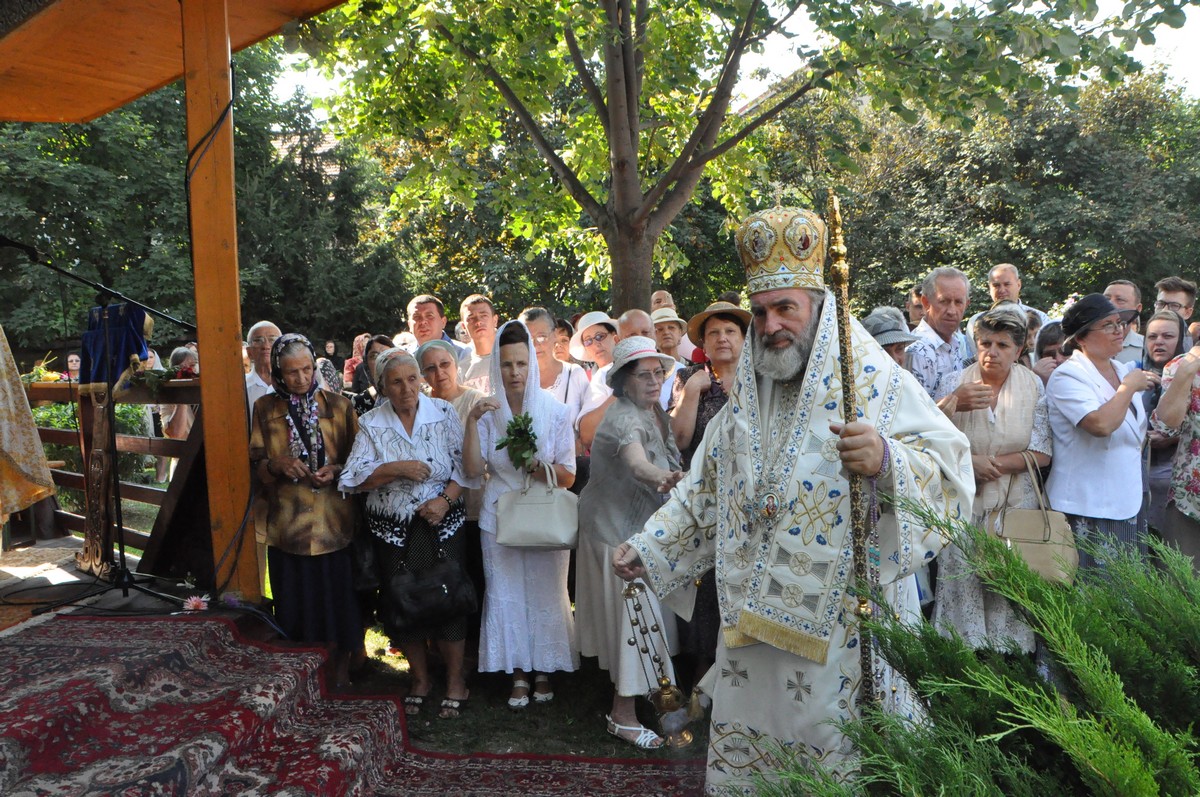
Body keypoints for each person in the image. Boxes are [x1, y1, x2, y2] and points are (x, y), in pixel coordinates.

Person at [613, 206, 972, 793]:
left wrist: (887, 461)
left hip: (845, 624)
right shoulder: (747, 401)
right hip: (752, 626)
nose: (771, 324)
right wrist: (649, 548)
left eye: (786, 308)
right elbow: (704, 488)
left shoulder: (874, 382)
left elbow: (952, 469)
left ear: (819, 310)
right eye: (760, 312)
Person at [339, 348, 471, 719]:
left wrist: (445, 500)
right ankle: (420, 680)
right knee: (404, 601)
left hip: (443, 523)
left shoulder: (443, 413)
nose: (406, 388)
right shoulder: (371, 422)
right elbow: (351, 479)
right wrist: (395, 467)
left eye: (412, 378)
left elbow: (466, 467)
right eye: (396, 381)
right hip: (394, 530)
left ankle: (456, 681)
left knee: (450, 598)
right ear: (382, 385)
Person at [462, 321, 578, 708]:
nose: (515, 373)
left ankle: (545, 667)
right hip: (498, 514)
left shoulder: (556, 411)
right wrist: (472, 422)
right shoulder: (487, 410)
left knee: (546, 591)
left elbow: (569, 474)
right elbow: (474, 470)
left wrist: (536, 467)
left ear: (533, 363)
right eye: (507, 364)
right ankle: (517, 671)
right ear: (496, 364)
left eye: (522, 364)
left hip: (542, 511)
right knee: (505, 592)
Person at [576, 336, 684, 749]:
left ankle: (660, 700)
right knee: (633, 623)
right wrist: (666, 479)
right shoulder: (624, 419)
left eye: (659, 372)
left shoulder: (653, 409)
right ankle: (621, 717)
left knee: (647, 619)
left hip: (636, 530)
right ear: (623, 381)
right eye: (645, 375)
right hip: (614, 535)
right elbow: (638, 464)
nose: (655, 381)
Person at [932, 307, 1050, 654]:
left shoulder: (1032, 384)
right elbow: (925, 442)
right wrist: (954, 404)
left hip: (1016, 508)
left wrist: (991, 464)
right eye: (985, 343)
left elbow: (1042, 452)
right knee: (963, 593)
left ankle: (1011, 679)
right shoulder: (955, 382)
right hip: (965, 508)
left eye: (1002, 344)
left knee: (1008, 601)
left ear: (1018, 350)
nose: (992, 352)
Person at [249, 334, 360, 688]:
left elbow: (359, 462)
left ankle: (341, 673)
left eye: (307, 369)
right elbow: (255, 465)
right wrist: (277, 463)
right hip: (288, 527)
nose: (300, 378)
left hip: (333, 524)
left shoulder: (340, 405)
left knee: (337, 603)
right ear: (278, 372)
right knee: (296, 605)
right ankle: (299, 677)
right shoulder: (265, 408)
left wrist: (337, 470)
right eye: (291, 372)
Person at [668, 299, 751, 686]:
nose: (722, 338)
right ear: (703, 340)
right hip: (704, 499)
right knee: (704, 588)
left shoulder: (760, 378)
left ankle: (741, 674)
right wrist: (692, 393)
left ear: (743, 339)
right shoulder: (689, 376)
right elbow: (680, 440)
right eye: (714, 332)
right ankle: (701, 679)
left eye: (730, 331)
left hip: (750, 500)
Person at [1045, 294, 1157, 568]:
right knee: (1091, 595)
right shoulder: (1067, 375)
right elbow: (1100, 425)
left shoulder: (1120, 369)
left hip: (1128, 500)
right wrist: (1128, 388)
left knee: (1127, 596)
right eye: (1108, 325)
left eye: (1120, 322)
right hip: (1087, 505)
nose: (1119, 330)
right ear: (1081, 338)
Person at [1150, 331, 1200, 571]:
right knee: (1180, 589)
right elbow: (1167, 424)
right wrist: (1187, 373)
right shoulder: (1183, 365)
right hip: (1190, 502)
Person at [1139, 311, 1185, 531]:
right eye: (1152, 336)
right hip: (1137, 484)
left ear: (1181, 340)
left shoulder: (1194, 376)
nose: (1159, 342)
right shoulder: (1130, 373)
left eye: (1167, 336)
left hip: (1179, 490)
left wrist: (1173, 437)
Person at [906, 267, 977, 406]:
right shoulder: (917, 351)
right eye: (944, 301)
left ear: (966, 304)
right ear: (926, 303)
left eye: (958, 302)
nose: (951, 311)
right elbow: (912, 414)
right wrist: (955, 402)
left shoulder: (955, 343)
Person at [520, 306, 589, 426]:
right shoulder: (517, 380)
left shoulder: (574, 374)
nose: (535, 345)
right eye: (528, 339)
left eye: (541, 337)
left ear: (554, 335)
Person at [408, 294, 471, 358]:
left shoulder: (465, 354)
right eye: (416, 317)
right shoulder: (403, 357)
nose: (423, 321)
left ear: (443, 322)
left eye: (429, 316)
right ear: (409, 325)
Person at [460, 294, 499, 393]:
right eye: (471, 318)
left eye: (484, 316)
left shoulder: (513, 356)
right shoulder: (462, 368)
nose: (478, 322)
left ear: (495, 320)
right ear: (464, 326)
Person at [350, 335, 394, 416]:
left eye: (386, 353)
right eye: (374, 356)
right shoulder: (359, 402)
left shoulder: (410, 394)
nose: (381, 359)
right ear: (366, 364)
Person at [245, 320, 280, 419]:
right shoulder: (240, 387)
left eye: (272, 340)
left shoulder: (293, 384)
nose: (266, 346)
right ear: (249, 352)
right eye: (258, 341)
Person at [1104, 280, 1144, 364]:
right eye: (1106, 299)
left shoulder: (1146, 348)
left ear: (1138, 309)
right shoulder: (1087, 345)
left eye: (1120, 300)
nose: (1110, 303)